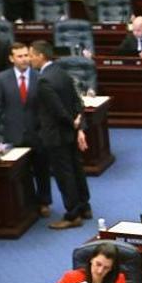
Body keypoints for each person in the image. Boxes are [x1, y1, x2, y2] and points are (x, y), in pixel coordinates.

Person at [32, 41, 91, 230]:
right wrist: (77, 122)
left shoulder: (43, 80)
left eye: (32, 55)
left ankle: (72, 215)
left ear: (41, 56)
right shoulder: (62, 72)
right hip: (69, 132)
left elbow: (57, 110)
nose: (31, 59)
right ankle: (84, 207)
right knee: (76, 169)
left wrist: (72, 122)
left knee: (64, 175)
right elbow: (77, 101)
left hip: (55, 135)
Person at [0, 42, 48, 215]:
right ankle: (27, 203)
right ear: (11, 58)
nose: (24, 59)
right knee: (20, 172)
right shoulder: (2, 78)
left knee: (41, 169)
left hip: (37, 131)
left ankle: (44, 202)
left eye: (26, 55)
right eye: (20, 56)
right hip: (13, 132)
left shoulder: (39, 77)